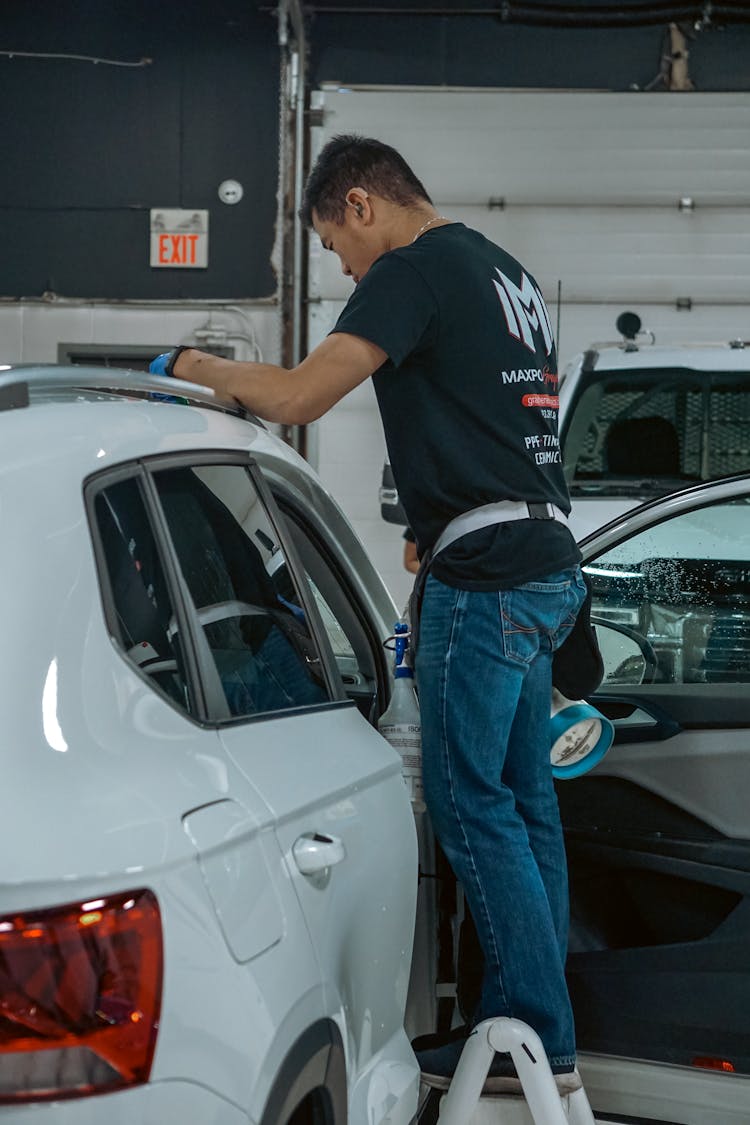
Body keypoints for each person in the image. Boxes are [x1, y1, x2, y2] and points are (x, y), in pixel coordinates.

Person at [150, 134, 586, 1094]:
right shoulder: (499, 268)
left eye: (334, 247)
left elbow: (303, 392)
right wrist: (439, 511)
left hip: (488, 576)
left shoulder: (412, 268)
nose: (344, 269)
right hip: (543, 558)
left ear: (359, 205)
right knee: (524, 806)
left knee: (473, 805)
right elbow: (496, 418)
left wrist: (189, 364)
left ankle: (528, 1039)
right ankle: (534, 1034)